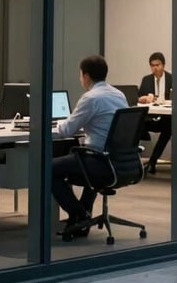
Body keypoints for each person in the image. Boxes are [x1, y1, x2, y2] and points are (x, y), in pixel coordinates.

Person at [51, 54, 128, 238]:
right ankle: (83, 215)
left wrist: (48, 126)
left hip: (100, 161)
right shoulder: (119, 94)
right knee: (79, 157)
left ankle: (78, 213)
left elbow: (66, 131)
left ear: (85, 76)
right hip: (121, 162)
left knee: (48, 168)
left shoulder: (90, 98)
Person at [137, 52, 172, 175]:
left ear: (163, 65)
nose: (155, 68)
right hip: (150, 116)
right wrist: (143, 98)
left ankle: (153, 161)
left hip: (166, 116)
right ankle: (134, 162)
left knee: (169, 127)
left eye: (158, 65)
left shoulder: (171, 79)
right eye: (152, 65)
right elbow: (139, 98)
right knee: (136, 124)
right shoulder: (146, 80)